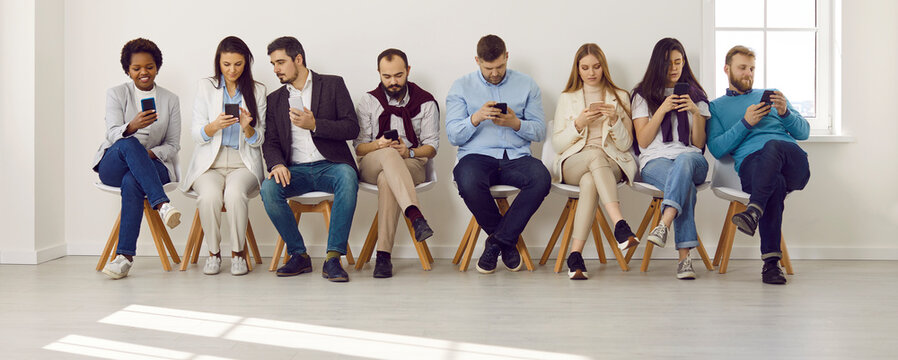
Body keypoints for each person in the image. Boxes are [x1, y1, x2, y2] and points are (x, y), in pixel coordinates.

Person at [446, 34, 550, 274]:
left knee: (541, 178)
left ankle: (496, 243)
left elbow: (540, 131)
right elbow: (453, 135)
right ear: (477, 61)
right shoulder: (461, 87)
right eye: (488, 68)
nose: (495, 72)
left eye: (500, 66)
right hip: (476, 157)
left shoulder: (527, 85)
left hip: (516, 157)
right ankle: (507, 242)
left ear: (507, 57)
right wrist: (476, 118)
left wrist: (515, 123)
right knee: (467, 179)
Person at [707, 45, 810, 285]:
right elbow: (717, 149)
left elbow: (803, 132)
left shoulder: (773, 95)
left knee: (773, 145)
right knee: (775, 183)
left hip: (791, 159)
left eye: (752, 68)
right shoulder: (716, 107)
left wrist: (785, 113)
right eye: (742, 68)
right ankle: (771, 266)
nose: (748, 73)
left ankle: (753, 210)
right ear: (727, 69)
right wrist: (746, 122)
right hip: (753, 166)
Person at [261, 36, 360, 282]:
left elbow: (351, 128)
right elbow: (270, 141)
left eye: (281, 62)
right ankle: (299, 255)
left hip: (331, 165)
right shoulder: (274, 100)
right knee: (268, 189)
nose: (276, 69)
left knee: (348, 177)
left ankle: (333, 259)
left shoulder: (333, 85)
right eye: (273, 63)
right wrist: (277, 164)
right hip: (296, 170)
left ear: (298, 59)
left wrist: (315, 124)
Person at [94, 38, 182, 279]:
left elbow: (173, 145)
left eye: (149, 67)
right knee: (128, 143)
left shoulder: (170, 99)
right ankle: (162, 204)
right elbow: (112, 133)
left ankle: (124, 257)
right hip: (114, 163)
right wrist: (131, 126)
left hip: (153, 165)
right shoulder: (116, 93)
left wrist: (148, 155)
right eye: (137, 68)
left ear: (157, 67)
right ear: (128, 70)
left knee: (133, 181)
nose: (144, 72)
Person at [179, 36, 267, 276]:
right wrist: (214, 126)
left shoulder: (258, 90)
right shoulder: (206, 86)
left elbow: (259, 140)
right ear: (218, 62)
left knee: (234, 194)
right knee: (208, 197)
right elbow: (196, 134)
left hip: (243, 163)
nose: (232, 70)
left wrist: (248, 127)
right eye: (226, 64)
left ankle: (238, 253)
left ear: (246, 63)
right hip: (211, 164)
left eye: (238, 64)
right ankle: (214, 253)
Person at [552, 43, 637, 280]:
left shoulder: (620, 97)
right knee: (592, 156)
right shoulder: (567, 98)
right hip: (574, 162)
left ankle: (575, 256)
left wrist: (615, 121)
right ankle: (620, 224)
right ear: (577, 70)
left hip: (610, 163)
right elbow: (559, 145)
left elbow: (625, 144)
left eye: (597, 67)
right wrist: (578, 124)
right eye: (586, 67)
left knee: (591, 180)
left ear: (604, 67)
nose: (591, 73)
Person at [354, 48, 439, 278]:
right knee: (388, 156)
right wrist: (379, 145)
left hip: (411, 164)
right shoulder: (369, 101)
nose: (393, 81)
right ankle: (415, 214)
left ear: (408, 70)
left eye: (398, 75)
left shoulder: (426, 102)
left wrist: (409, 151)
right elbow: (359, 147)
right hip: (373, 161)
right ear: (379, 73)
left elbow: (431, 148)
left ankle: (383, 257)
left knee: (387, 179)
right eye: (387, 76)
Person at [631, 38, 710, 280]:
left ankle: (664, 223)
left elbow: (698, 145)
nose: (674, 68)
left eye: (678, 62)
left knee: (685, 161)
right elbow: (643, 141)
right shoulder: (642, 95)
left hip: (693, 160)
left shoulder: (696, 95)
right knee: (685, 188)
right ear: (658, 65)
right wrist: (663, 109)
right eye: (668, 64)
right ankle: (685, 260)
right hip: (656, 161)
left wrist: (695, 113)